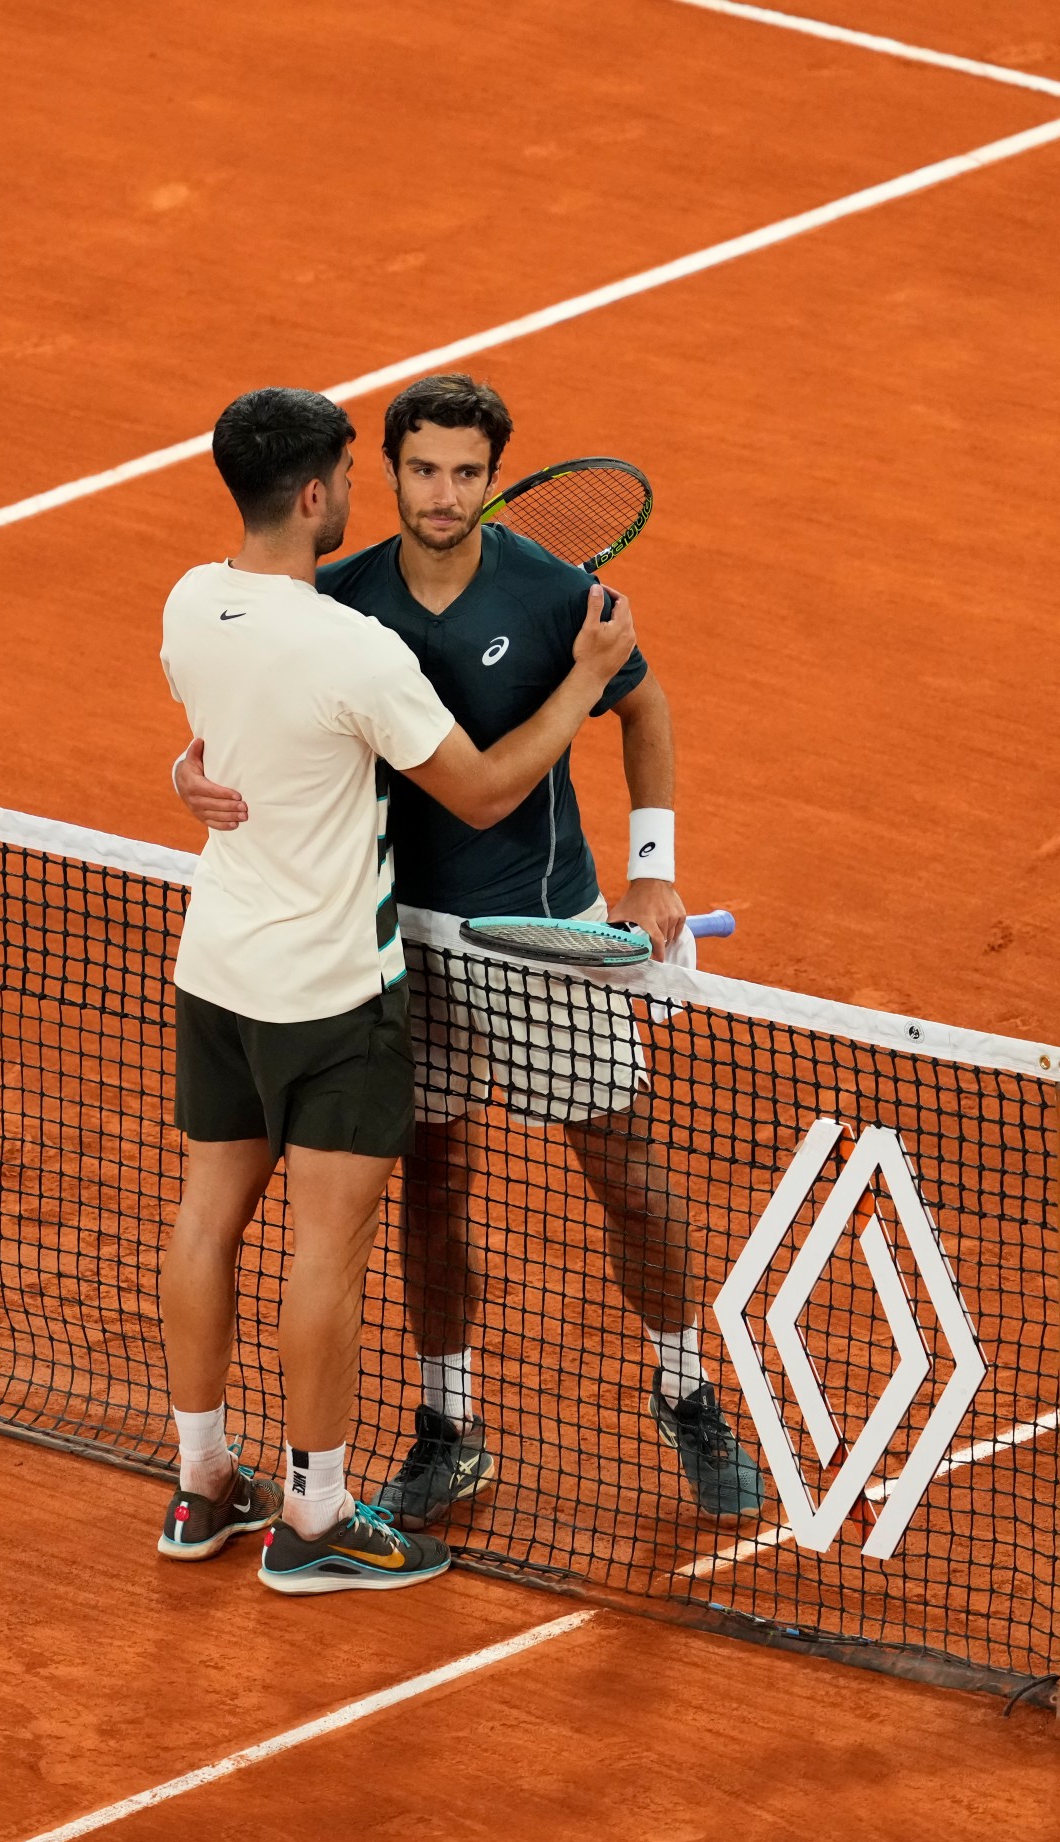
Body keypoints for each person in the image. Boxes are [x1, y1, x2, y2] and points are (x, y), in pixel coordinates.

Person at [171, 373, 763, 1533]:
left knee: (626, 1174)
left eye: (467, 473)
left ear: (496, 478)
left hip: (540, 932)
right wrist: (187, 773)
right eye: (423, 470)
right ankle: (449, 1425)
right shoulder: (335, 598)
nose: (444, 494)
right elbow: (248, 716)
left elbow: (646, 711)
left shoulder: (557, 595)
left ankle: (689, 1390)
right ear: (381, 475)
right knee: (432, 1187)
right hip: (390, 947)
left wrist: (652, 868)